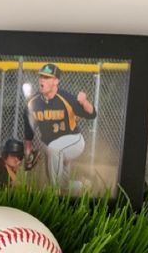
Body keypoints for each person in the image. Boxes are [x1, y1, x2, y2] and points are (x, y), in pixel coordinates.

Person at [23, 62, 96, 190]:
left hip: (73, 141)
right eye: (41, 76)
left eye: (46, 77)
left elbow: (92, 114)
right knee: (64, 185)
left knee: (54, 150)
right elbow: (29, 131)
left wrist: (84, 102)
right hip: (51, 145)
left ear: (56, 81)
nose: (42, 80)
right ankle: (84, 187)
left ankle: (53, 193)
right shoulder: (32, 103)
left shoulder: (67, 99)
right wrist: (28, 151)